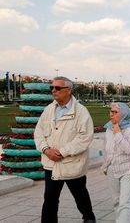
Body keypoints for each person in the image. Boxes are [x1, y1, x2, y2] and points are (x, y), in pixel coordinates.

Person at [34, 76, 96, 223]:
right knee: (50, 199)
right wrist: (46, 149)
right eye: (52, 88)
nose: (53, 91)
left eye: (57, 88)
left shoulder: (81, 112)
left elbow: (85, 137)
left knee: (80, 195)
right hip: (52, 164)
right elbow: (38, 132)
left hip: (72, 163)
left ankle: (88, 218)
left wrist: (62, 152)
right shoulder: (49, 110)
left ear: (69, 90)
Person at [101, 102, 130, 222]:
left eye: (115, 112)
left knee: (125, 203)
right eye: (111, 111)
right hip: (112, 169)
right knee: (116, 201)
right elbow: (107, 149)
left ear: (124, 114)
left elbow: (128, 149)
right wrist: (105, 166)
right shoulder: (109, 128)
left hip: (129, 169)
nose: (111, 114)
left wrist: (118, 132)